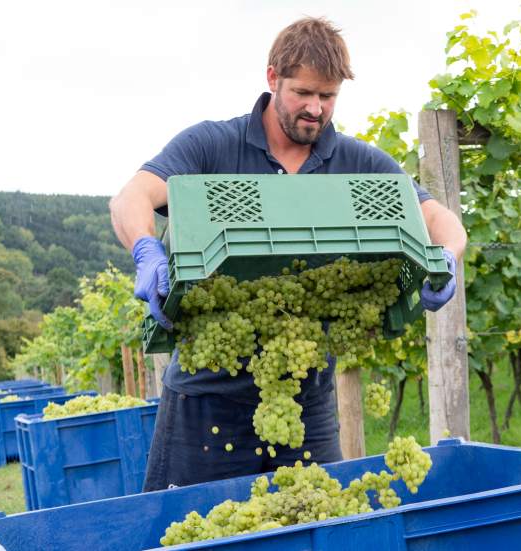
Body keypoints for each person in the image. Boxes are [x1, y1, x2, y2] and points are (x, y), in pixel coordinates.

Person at [109, 17, 467, 491]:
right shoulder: (213, 145)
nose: (316, 109)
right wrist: (146, 251)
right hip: (204, 397)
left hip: (305, 400)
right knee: (194, 529)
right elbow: (130, 198)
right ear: (273, 78)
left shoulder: (357, 164)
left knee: (313, 523)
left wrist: (446, 257)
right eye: (303, 92)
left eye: (328, 96)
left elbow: (442, 221)